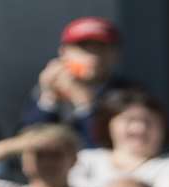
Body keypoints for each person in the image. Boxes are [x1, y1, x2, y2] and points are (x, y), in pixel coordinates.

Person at [19, 16, 138, 148]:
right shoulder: (49, 87)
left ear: (116, 54)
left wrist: (85, 105)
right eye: (84, 48)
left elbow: (108, 148)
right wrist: (48, 98)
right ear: (63, 53)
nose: (93, 56)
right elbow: (25, 143)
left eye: (101, 48)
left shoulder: (130, 93)